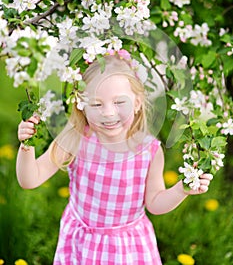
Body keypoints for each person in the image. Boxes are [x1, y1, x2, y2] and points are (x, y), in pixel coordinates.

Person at [17, 51, 213, 265]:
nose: (108, 113)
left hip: (127, 249)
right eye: (97, 104)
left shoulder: (148, 151)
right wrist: (27, 146)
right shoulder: (75, 138)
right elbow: (30, 180)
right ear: (81, 105)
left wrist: (181, 189)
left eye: (119, 102)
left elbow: (155, 203)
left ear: (137, 103)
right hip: (81, 244)